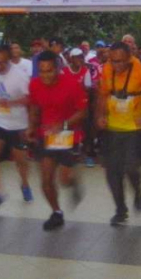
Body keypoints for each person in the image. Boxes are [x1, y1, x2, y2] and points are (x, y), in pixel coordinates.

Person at [97, 42, 141, 226]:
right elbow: (103, 94)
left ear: (129, 58)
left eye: (120, 61)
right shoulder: (107, 69)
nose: (116, 65)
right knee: (112, 172)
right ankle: (120, 210)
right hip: (112, 128)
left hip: (134, 128)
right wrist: (101, 115)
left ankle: (137, 190)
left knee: (131, 168)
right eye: (113, 61)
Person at [27, 51, 88, 231]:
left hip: (69, 135)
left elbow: (83, 112)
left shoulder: (72, 85)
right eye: (42, 71)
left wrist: (63, 124)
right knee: (46, 179)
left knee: (65, 180)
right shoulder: (34, 84)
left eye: (49, 71)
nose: (45, 75)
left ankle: (74, 183)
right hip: (46, 136)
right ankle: (56, 213)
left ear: (58, 69)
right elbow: (35, 107)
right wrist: (31, 127)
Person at [0, 45, 33, 209]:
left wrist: (10, 103)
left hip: (17, 124)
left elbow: (29, 99)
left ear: (9, 60)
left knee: (20, 162)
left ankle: (24, 184)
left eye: (3, 62)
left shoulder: (20, 76)